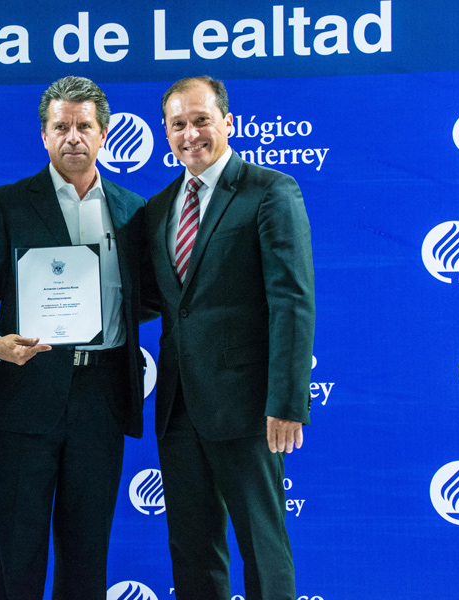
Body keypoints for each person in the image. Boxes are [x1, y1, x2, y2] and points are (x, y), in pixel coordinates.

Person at [0, 76, 145, 600]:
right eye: (61, 126)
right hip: (27, 388)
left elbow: (149, 297)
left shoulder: (133, 211)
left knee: (87, 557)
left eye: (85, 126)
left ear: (104, 133)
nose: (73, 137)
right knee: (17, 555)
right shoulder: (10, 204)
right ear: (44, 135)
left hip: (102, 396)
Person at [144, 76, 315, 600]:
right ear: (166, 133)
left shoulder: (271, 191)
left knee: (262, 549)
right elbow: (155, 299)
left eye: (201, 120)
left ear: (228, 123)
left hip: (249, 410)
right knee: (192, 554)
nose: (190, 133)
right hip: (178, 410)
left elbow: (292, 300)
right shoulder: (157, 209)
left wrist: (286, 401)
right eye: (178, 124)